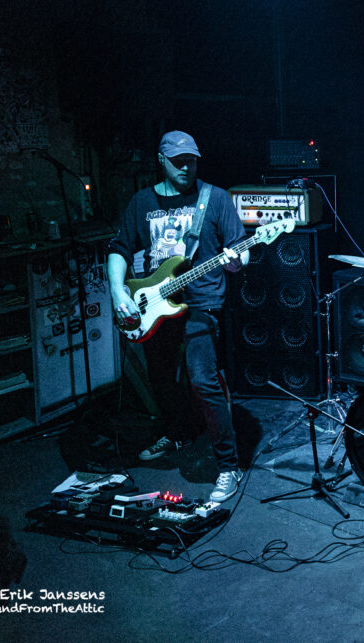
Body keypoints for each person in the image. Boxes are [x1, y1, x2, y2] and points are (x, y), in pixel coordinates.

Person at [107, 130, 249, 503]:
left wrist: (236, 262)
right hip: (154, 305)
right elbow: (119, 248)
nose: (186, 167)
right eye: (178, 161)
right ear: (161, 160)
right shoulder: (142, 202)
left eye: (192, 161)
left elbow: (240, 250)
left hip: (202, 304)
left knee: (202, 379)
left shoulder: (215, 198)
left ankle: (229, 465)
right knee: (161, 381)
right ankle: (177, 432)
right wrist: (118, 291)